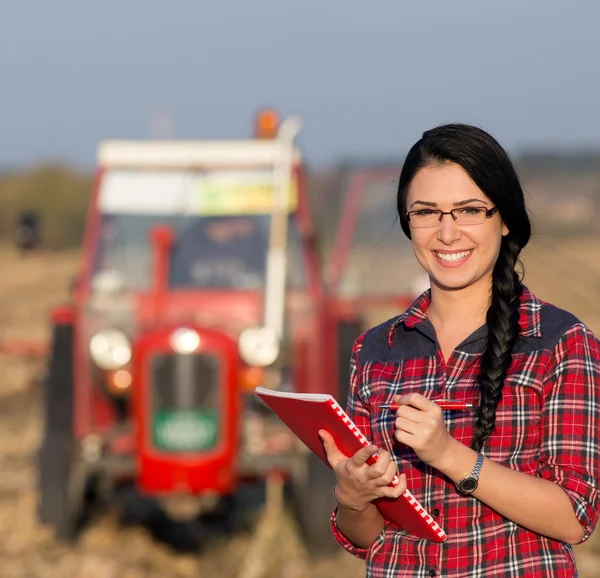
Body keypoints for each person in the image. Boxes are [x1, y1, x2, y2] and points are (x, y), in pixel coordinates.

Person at [319, 123, 600, 577]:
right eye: (426, 212)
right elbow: (368, 538)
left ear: (504, 219)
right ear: (407, 221)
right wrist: (352, 497)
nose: (447, 233)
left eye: (469, 210)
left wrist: (449, 455)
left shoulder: (560, 342)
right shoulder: (376, 350)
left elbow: (574, 517)